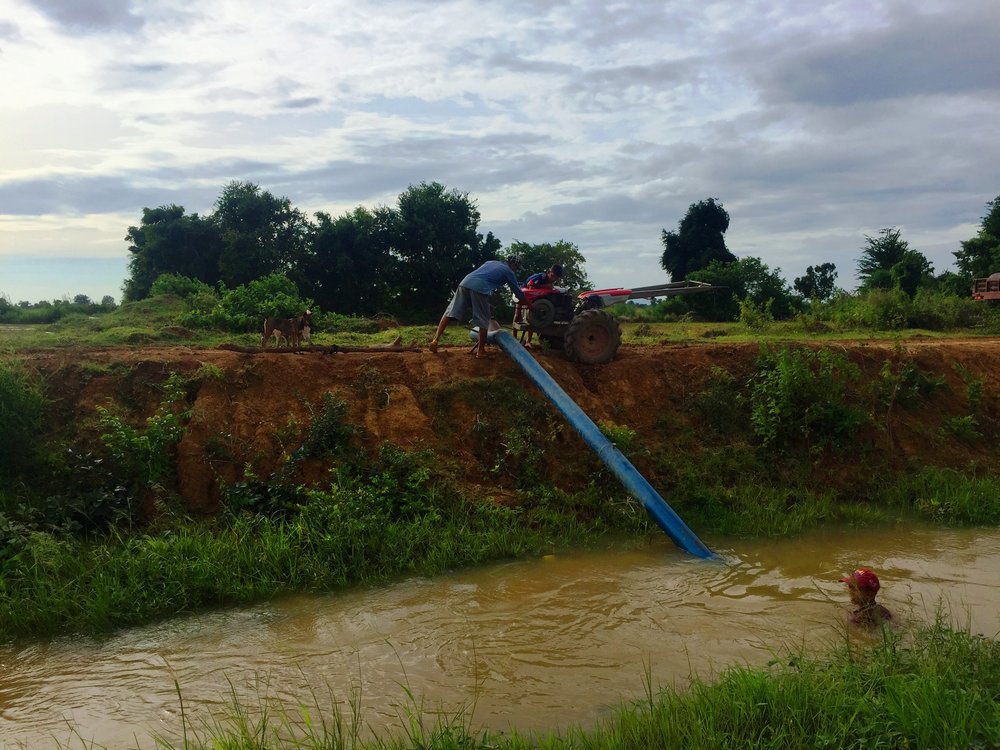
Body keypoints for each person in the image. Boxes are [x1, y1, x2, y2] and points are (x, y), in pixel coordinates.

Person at [429, 256, 528, 358]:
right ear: (513, 264)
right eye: (517, 268)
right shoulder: (508, 271)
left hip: (465, 283)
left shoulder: (491, 262)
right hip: (479, 288)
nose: (516, 270)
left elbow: (482, 278)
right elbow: (519, 294)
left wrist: (485, 303)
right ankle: (480, 352)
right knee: (484, 319)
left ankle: (435, 340)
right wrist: (531, 306)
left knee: (450, 312)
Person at [521, 264, 563, 349]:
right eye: (552, 276)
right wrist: (545, 286)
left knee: (533, 319)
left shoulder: (550, 282)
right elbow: (530, 285)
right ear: (549, 272)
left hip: (537, 301)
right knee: (518, 315)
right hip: (524, 295)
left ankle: (528, 341)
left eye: (556, 278)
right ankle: (514, 339)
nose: (553, 279)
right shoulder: (541, 277)